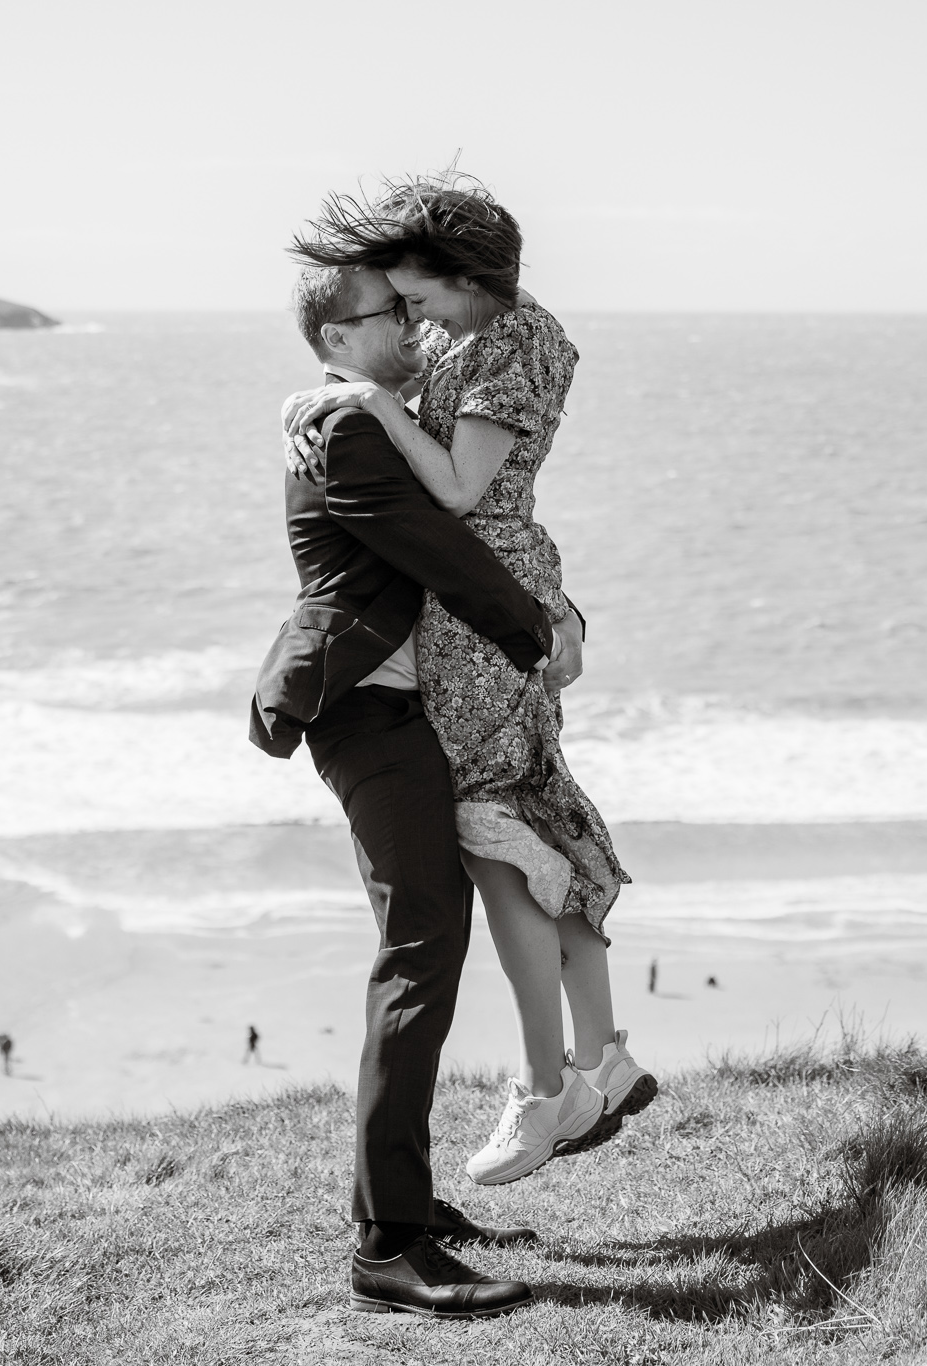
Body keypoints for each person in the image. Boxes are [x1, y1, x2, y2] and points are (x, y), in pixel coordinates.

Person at [285, 176, 656, 1190]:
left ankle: (546, 1091)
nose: (410, 318)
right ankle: (598, 1055)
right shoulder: (470, 335)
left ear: (463, 276)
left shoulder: (514, 343)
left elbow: (455, 487)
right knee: (525, 820)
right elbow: (424, 443)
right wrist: (336, 390)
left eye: (416, 298)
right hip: (476, 599)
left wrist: (361, 398)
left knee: (497, 838)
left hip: (481, 604)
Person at [250, 260, 571, 1319]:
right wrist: (539, 633)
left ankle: (406, 1207)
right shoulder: (343, 428)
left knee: (429, 939)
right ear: (337, 339)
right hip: (360, 711)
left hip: (397, 711)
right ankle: (386, 1244)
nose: (406, 323)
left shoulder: (362, 411)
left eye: (405, 304)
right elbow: (438, 549)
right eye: (387, 313)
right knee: (418, 948)